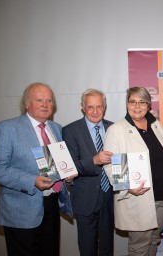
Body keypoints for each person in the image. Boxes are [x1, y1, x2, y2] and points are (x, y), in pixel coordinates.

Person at [0, 82, 75, 256]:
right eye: (40, 100)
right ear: (27, 104)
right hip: (21, 210)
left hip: (52, 205)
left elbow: (59, 163)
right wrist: (32, 180)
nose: (45, 105)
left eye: (49, 101)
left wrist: (68, 175)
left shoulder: (56, 129)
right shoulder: (7, 128)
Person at [103, 87, 163, 255]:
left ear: (148, 105)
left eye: (142, 102)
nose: (137, 106)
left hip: (161, 198)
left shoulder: (156, 124)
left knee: (154, 242)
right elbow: (110, 165)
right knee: (139, 248)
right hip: (138, 198)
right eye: (132, 101)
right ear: (127, 104)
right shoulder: (116, 130)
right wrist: (126, 186)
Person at [62, 89, 114, 256]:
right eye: (90, 107)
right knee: (87, 247)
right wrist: (94, 161)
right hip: (85, 198)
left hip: (110, 197)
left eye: (99, 106)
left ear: (104, 107)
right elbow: (69, 167)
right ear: (82, 107)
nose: (95, 111)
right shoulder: (70, 130)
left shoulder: (113, 128)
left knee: (107, 246)